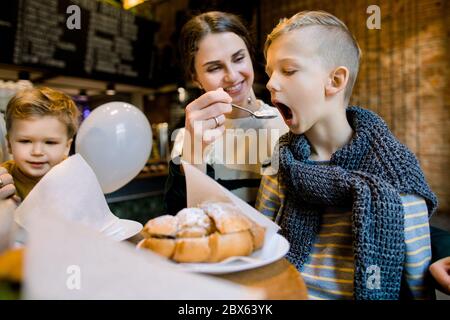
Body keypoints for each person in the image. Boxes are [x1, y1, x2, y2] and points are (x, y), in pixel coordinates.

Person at [259, 10, 439, 300]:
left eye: (289, 70)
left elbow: (419, 286)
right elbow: (259, 251)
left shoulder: (398, 175)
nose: (270, 83)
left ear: (335, 80)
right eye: (270, 73)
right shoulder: (280, 161)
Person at [164, 11, 288, 214]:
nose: (231, 76)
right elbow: (185, 217)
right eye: (214, 68)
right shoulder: (189, 137)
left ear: (250, 56)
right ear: (195, 78)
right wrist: (195, 150)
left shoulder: (286, 122)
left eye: (239, 58)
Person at [1, 87, 80, 200]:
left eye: (50, 142)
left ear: (67, 146)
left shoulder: (77, 176)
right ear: (9, 144)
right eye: (25, 141)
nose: (37, 152)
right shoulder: (3, 179)